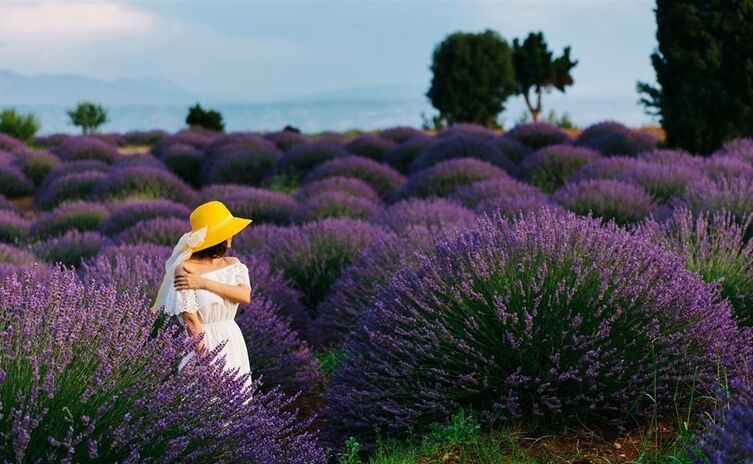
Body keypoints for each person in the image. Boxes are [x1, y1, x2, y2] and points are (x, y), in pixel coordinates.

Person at [152, 200, 253, 375]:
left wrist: (203, 283)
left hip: (232, 338)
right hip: (204, 343)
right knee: (206, 397)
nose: (232, 236)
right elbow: (191, 321)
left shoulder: (233, 264)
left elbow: (244, 296)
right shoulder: (185, 268)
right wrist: (205, 360)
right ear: (218, 238)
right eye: (228, 232)